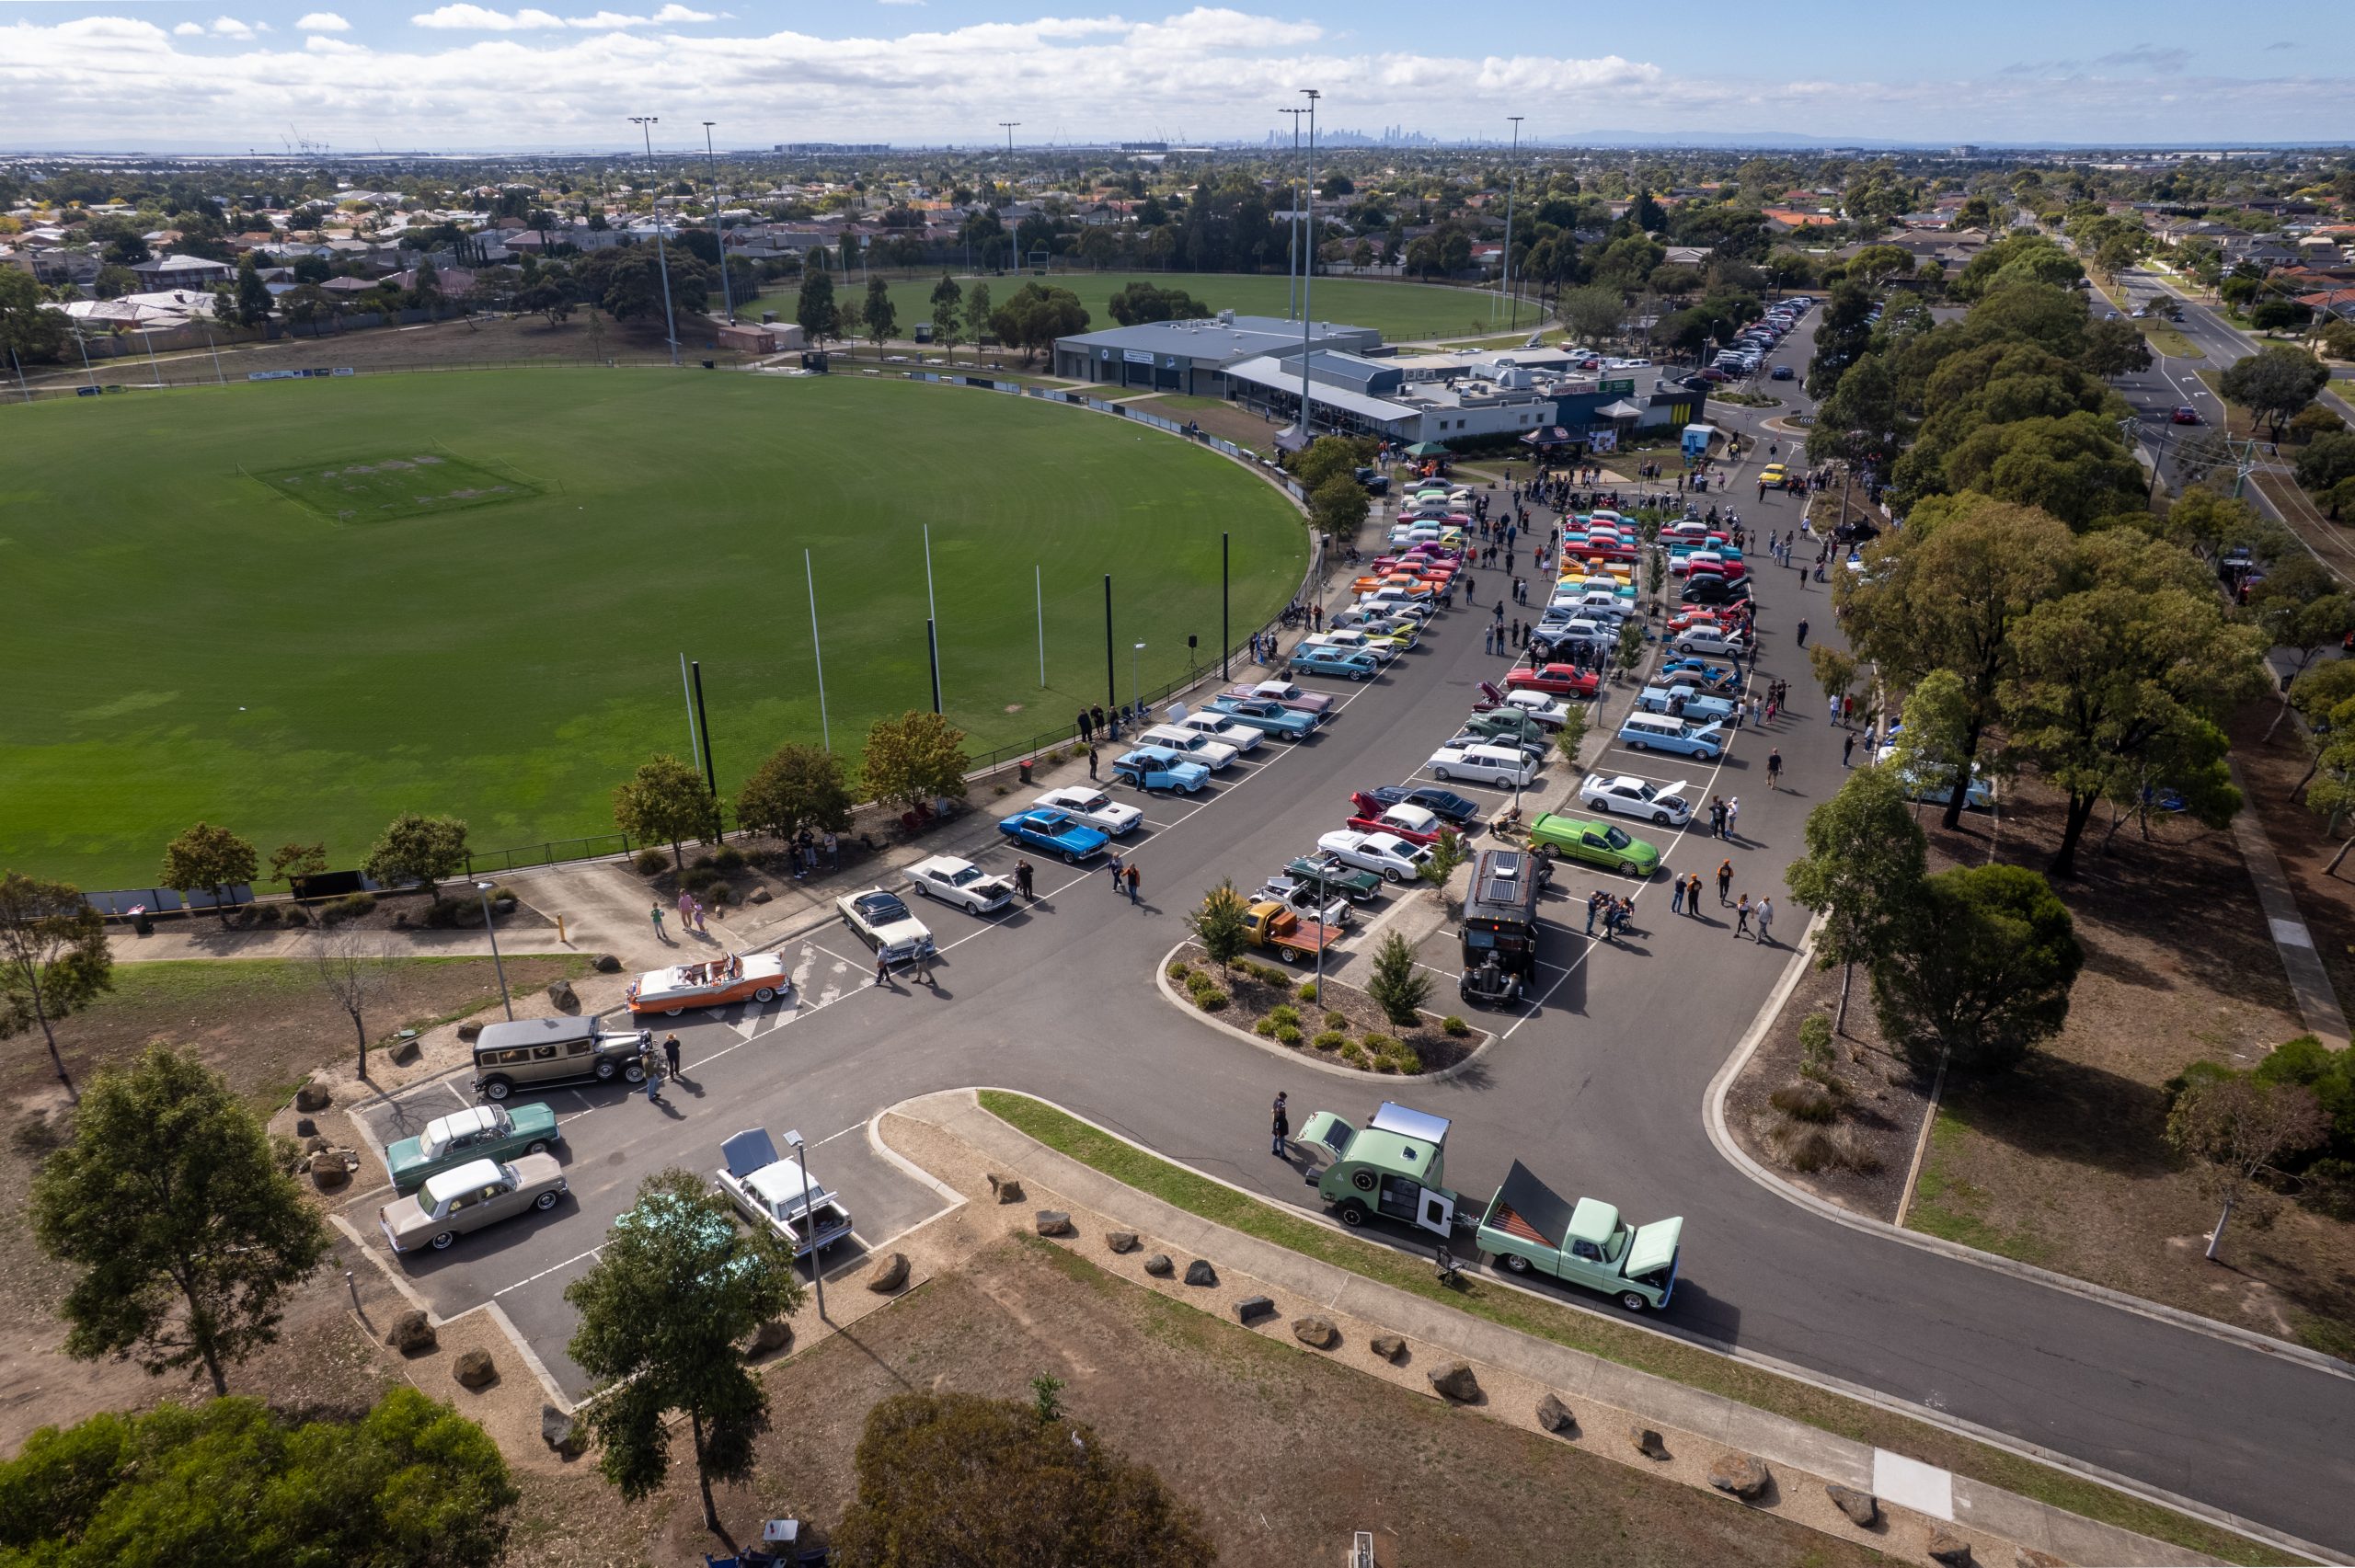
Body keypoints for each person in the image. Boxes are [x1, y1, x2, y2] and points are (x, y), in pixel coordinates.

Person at [1270, 1092, 1291, 1158]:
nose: (1284, 1109)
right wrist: (1279, 1134)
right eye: (1283, 1108)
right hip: (1280, 1131)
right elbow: (1277, 1126)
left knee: (1275, 1138)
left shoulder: (1276, 1100)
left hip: (1275, 1125)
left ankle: (1274, 1150)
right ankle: (1282, 1155)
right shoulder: (1279, 1116)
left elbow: (1274, 1109)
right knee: (1281, 1143)